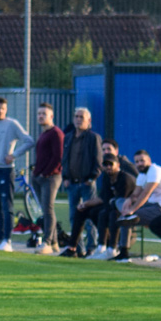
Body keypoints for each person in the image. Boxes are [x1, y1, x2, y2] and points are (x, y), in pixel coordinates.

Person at [0, 97, 35, 252]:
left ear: (6, 110)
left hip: (5, 170)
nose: (0, 111)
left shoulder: (12, 124)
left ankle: (7, 240)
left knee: (7, 206)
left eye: (3, 108)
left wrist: (14, 155)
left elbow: (29, 141)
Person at [77, 148, 137, 258]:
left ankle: (112, 248)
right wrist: (86, 204)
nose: (108, 167)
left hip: (130, 207)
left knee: (113, 214)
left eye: (111, 164)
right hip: (115, 205)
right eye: (105, 164)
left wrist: (111, 203)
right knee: (101, 213)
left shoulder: (125, 178)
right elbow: (104, 198)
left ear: (118, 165)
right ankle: (101, 246)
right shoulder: (106, 177)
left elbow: (123, 200)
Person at [114, 150, 161, 261]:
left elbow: (146, 193)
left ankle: (123, 252)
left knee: (127, 216)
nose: (139, 164)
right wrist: (129, 200)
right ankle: (121, 251)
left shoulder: (155, 171)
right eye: (137, 162)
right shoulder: (142, 175)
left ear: (149, 160)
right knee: (118, 202)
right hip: (152, 205)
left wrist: (132, 209)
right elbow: (136, 194)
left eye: (142, 161)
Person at [61, 107, 103, 254]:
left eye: (81, 117)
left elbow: (98, 161)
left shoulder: (93, 138)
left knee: (89, 217)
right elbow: (65, 159)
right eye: (76, 116)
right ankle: (78, 248)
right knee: (73, 217)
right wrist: (65, 177)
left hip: (87, 183)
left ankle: (92, 247)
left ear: (88, 120)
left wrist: (92, 178)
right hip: (72, 183)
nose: (78, 119)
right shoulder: (68, 137)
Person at [29, 102, 64, 253]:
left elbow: (58, 157)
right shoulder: (43, 133)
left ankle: (47, 242)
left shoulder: (56, 133)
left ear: (51, 116)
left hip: (51, 177)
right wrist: (36, 172)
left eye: (44, 114)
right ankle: (55, 242)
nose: (41, 116)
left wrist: (46, 173)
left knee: (48, 209)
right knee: (44, 209)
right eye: (39, 114)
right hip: (39, 176)